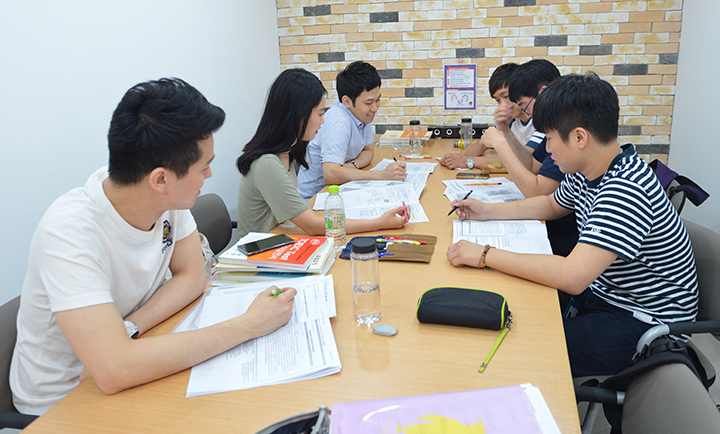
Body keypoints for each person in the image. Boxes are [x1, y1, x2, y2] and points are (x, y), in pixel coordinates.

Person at [10, 78, 298, 415]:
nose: (209, 175)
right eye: (204, 166)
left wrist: (130, 328)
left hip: (127, 359)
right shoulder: (69, 233)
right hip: (62, 402)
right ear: (161, 179)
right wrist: (249, 325)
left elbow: (192, 277)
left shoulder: (162, 199)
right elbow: (115, 370)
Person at [446, 73, 698, 377]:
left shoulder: (626, 189)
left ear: (579, 138)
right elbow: (551, 204)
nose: (548, 149)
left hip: (645, 320)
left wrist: (485, 255)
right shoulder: (589, 170)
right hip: (606, 292)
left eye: (550, 138)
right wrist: (487, 211)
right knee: (514, 310)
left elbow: (572, 276)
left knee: (522, 350)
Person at [236, 68, 407, 239]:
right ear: (298, 115)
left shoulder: (290, 150)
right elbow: (312, 226)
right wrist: (379, 223)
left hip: (282, 235)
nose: (323, 120)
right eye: (319, 114)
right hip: (260, 249)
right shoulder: (268, 163)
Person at [480, 59, 578, 257]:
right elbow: (533, 166)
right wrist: (485, 211)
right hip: (554, 227)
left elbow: (537, 193)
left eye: (524, 106)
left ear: (542, 93)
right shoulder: (556, 128)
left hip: (563, 239)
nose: (527, 115)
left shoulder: (567, 133)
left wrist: (500, 143)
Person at [296, 61, 406, 201]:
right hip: (315, 198)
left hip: (339, 189)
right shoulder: (338, 122)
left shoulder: (362, 114)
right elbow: (330, 175)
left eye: (378, 100)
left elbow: (368, 152)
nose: (375, 108)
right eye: (368, 103)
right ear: (347, 102)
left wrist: (349, 167)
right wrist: (382, 175)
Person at [440, 62, 535, 170]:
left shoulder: (539, 122)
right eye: (498, 100)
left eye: (506, 96)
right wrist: (455, 158)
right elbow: (482, 144)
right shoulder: (510, 119)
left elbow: (526, 163)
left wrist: (468, 161)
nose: (502, 105)